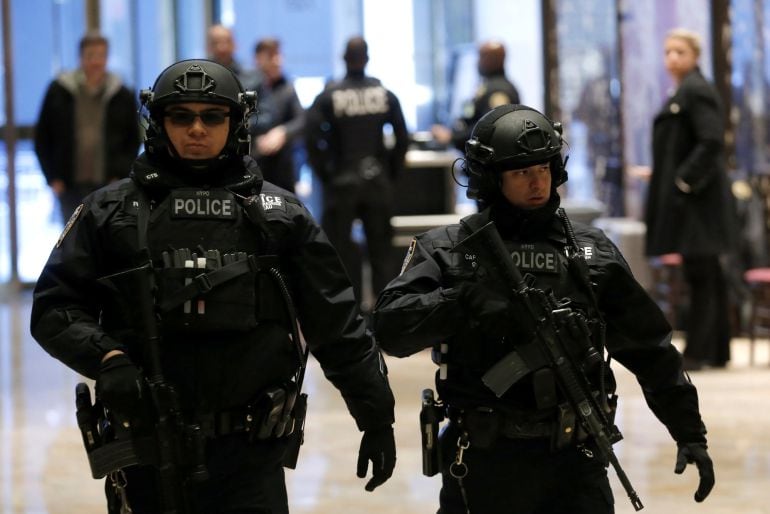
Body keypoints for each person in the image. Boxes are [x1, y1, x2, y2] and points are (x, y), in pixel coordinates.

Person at [30, 59, 396, 514]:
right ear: (159, 123)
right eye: (181, 116)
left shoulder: (280, 216)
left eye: (212, 116)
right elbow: (54, 308)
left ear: (236, 122)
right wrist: (107, 358)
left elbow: (337, 325)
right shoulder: (110, 212)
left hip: (250, 458)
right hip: (147, 451)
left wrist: (376, 415)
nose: (196, 129)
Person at [373, 104, 714, 514]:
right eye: (521, 172)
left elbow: (650, 347)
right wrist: (462, 303)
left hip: (575, 463)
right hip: (484, 464)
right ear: (490, 178)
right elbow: (391, 327)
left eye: (543, 169)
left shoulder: (591, 253)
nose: (537, 183)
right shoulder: (451, 249)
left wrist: (688, 430)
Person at [644, 28, 735, 371]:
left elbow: (711, 142)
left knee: (702, 274)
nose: (672, 58)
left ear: (695, 56)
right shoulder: (683, 90)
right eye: (668, 51)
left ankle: (698, 352)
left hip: (701, 203)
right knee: (706, 273)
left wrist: (682, 181)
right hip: (695, 201)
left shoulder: (697, 90)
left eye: (680, 51)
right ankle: (714, 351)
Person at [305, 36, 409, 308]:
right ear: (367, 58)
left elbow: (310, 137)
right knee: (381, 254)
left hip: (342, 184)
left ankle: (350, 320)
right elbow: (402, 136)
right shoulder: (384, 94)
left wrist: (326, 175)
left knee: (341, 254)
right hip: (378, 182)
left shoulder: (330, 96)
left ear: (344, 58)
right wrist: (390, 173)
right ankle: (386, 319)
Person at [34, 31, 140, 222]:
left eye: (101, 56)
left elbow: (132, 139)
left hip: (108, 183)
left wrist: (121, 174)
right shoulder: (59, 90)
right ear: (81, 57)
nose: (96, 62)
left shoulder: (122, 93)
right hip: (68, 184)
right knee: (71, 241)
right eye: (91, 56)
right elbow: (42, 136)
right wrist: (52, 177)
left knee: (106, 239)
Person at [431, 40, 520, 153]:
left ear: (493, 59)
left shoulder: (499, 91)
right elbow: (471, 117)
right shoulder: (486, 86)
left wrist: (452, 137)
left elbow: (491, 129)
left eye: (482, 57)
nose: (478, 62)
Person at [248, 37, 305, 192]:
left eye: (279, 55)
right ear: (258, 59)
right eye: (272, 55)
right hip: (252, 168)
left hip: (282, 172)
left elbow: (301, 120)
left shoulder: (287, 88)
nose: (278, 60)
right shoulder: (247, 87)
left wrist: (283, 132)